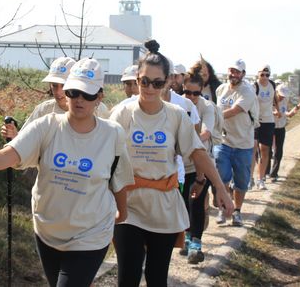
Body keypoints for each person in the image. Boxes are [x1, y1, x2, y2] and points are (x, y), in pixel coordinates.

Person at [0, 58, 134, 287]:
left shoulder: (113, 134)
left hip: (90, 233)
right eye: (73, 92)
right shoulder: (46, 125)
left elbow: (118, 180)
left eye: (87, 94)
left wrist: (121, 214)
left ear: (99, 97)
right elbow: (8, 156)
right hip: (47, 229)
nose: (79, 99)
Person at [109, 40, 234, 287]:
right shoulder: (122, 113)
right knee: (128, 277)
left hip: (163, 208)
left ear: (167, 82)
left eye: (157, 83)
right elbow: (103, 154)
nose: (149, 88)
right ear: (137, 79)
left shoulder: (176, 116)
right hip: (128, 206)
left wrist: (219, 187)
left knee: (157, 278)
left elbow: (198, 153)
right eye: (144, 81)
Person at [2, 56, 110, 140]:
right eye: (54, 85)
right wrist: (14, 135)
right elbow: (24, 140)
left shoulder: (99, 110)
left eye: (63, 86)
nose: (58, 92)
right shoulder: (44, 110)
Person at [179, 73, 222, 264]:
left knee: (195, 202)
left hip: (200, 161)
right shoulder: (177, 104)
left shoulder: (207, 107)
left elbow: (206, 132)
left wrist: (189, 141)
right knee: (183, 202)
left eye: (195, 93)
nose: (190, 97)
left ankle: (196, 243)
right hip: (179, 163)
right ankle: (187, 237)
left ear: (201, 91)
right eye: (187, 92)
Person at [214, 59, 256, 227]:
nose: (233, 74)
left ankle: (237, 211)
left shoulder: (247, 91)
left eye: (237, 72)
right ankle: (223, 208)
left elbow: (235, 111)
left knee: (241, 180)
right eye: (231, 71)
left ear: (243, 74)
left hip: (243, 144)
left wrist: (213, 118)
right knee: (221, 176)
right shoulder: (221, 89)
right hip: (223, 141)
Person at [252, 65, 279, 190]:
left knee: (265, 150)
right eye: (262, 74)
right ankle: (249, 178)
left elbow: (275, 98)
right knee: (253, 150)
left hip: (268, 120)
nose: (264, 77)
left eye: (267, 75)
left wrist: (277, 110)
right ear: (258, 74)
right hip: (256, 121)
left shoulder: (272, 85)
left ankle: (261, 178)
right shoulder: (254, 86)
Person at [269, 84, 292, 181]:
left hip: (281, 127)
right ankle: (265, 171)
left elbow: (285, 110)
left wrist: (289, 113)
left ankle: (274, 173)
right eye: (281, 95)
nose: (282, 97)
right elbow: (263, 111)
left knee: (279, 151)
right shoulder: (270, 100)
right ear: (276, 92)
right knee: (267, 150)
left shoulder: (285, 100)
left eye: (284, 96)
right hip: (269, 126)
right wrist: (274, 113)